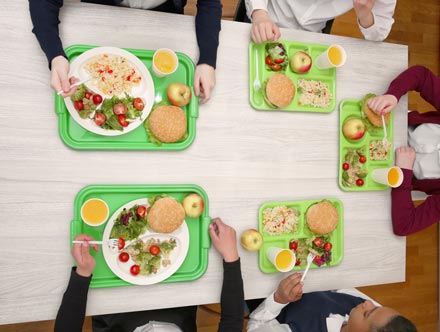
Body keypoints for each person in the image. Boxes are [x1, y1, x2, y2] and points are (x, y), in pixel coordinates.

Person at [55, 217, 244, 332]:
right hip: (177, 301)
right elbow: (232, 322)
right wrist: (231, 257)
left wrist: (82, 273)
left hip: (115, 310)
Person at [29, 0, 221, 104]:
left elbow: (210, 3)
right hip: (99, 12)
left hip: (164, 18)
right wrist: (55, 56)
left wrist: (207, 60)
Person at [367, 66, 440, 236]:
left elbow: (404, 225)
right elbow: (421, 76)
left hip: (381, 172)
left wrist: (404, 171)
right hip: (381, 121)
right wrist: (393, 94)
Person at [247, 273, 417, 332]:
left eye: (368, 313)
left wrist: (279, 299)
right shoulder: (370, 311)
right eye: (378, 306)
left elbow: (255, 326)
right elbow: (340, 286)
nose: (368, 303)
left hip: (263, 294)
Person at [245, 0, 396, 43]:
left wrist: (365, 15)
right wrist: (259, 13)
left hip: (310, 37)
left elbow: (379, 34)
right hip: (265, 18)